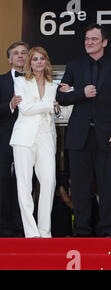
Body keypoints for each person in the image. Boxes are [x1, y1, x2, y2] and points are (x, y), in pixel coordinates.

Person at [56, 23, 111, 237]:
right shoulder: (74, 65)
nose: (89, 42)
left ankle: (106, 231)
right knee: (80, 188)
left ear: (104, 42)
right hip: (79, 135)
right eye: (87, 39)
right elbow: (61, 97)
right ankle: (81, 232)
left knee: (107, 185)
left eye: (94, 39)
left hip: (108, 136)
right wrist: (81, 92)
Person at [9, 46, 59, 238]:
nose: (39, 62)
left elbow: (58, 112)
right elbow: (26, 109)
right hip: (24, 138)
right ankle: (32, 234)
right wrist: (50, 105)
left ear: (46, 61)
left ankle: (45, 232)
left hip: (46, 137)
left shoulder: (53, 85)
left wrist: (57, 105)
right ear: (30, 62)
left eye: (42, 58)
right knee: (25, 186)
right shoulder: (21, 82)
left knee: (49, 182)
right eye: (35, 59)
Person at [0, 41, 29, 237]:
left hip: (28, 141)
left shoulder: (37, 80)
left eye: (24, 53)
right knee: (3, 182)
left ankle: (23, 227)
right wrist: (9, 105)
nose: (20, 56)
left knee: (25, 183)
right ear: (9, 59)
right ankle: (4, 229)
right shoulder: (0, 81)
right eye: (16, 53)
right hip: (4, 141)